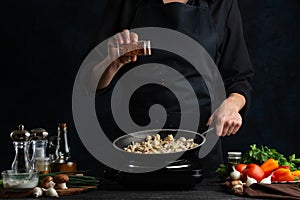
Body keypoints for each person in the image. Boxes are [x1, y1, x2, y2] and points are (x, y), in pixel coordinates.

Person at [92, 0, 254, 177]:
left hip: (201, 149)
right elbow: (90, 83)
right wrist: (113, 62)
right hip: (135, 148)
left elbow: (239, 78)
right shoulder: (126, 4)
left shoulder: (221, 4)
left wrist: (231, 105)